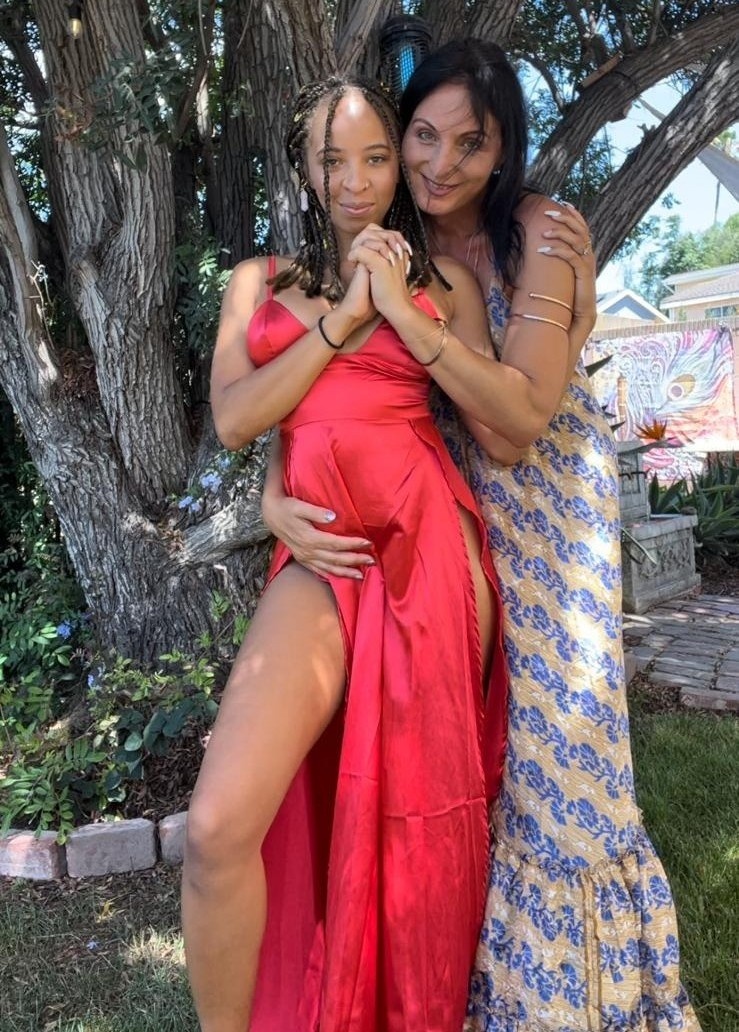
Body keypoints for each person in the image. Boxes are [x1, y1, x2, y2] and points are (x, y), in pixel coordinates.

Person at [262, 40, 701, 1032]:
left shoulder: (541, 231)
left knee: (563, 755)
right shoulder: (393, 236)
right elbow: (313, 376)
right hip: (437, 522)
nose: (440, 162)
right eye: (423, 135)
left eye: (472, 143)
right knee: (473, 757)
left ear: (504, 152)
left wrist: (416, 325)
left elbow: (518, 425)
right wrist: (271, 494)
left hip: (546, 521)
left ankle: (584, 1006)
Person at [181, 70, 578, 1031]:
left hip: (424, 545)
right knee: (217, 827)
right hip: (322, 556)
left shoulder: (445, 284)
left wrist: (402, 306)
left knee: (421, 825)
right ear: (303, 168)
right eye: (333, 160)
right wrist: (343, 321)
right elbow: (236, 418)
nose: (356, 181)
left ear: (394, 165)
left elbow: (501, 429)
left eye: (373, 158)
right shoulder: (258, 281)